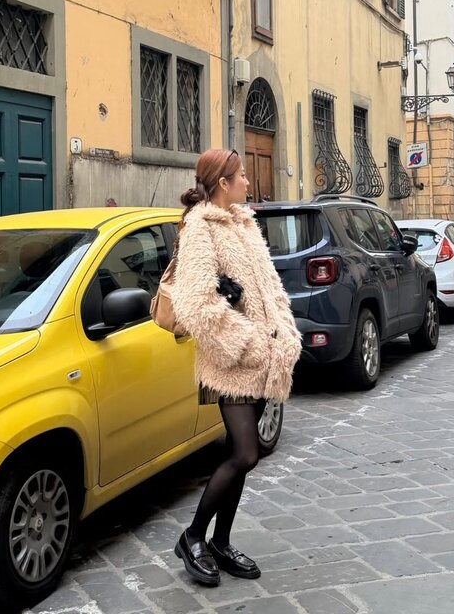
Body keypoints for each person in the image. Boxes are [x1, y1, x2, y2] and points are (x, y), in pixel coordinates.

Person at [170, 148, 302, 588]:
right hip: (232, 361)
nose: (248, 181)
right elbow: (195, 305)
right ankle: (192, 537)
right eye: (241, 175)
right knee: (245, 453)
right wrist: (247, 344)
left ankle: (221, 542)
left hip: (264, 358)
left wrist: (285, 333)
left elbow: (271, 287)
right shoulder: (199, 227)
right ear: (223, 183)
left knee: (240, 458)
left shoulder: (244, 222)